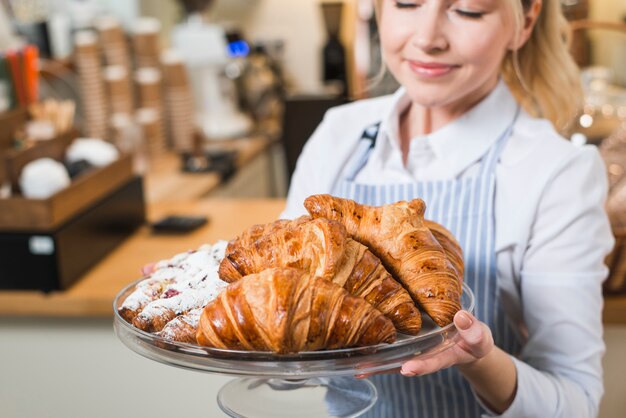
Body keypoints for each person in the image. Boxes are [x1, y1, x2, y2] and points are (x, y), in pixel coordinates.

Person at [281, 0, 615, 417]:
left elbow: (575, 404)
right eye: (406, 3)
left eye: (468, 10)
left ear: (524, 23)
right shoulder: (338, 134)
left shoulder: (557, 173)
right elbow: (282, 334)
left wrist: (480, 361)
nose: (427, 38)